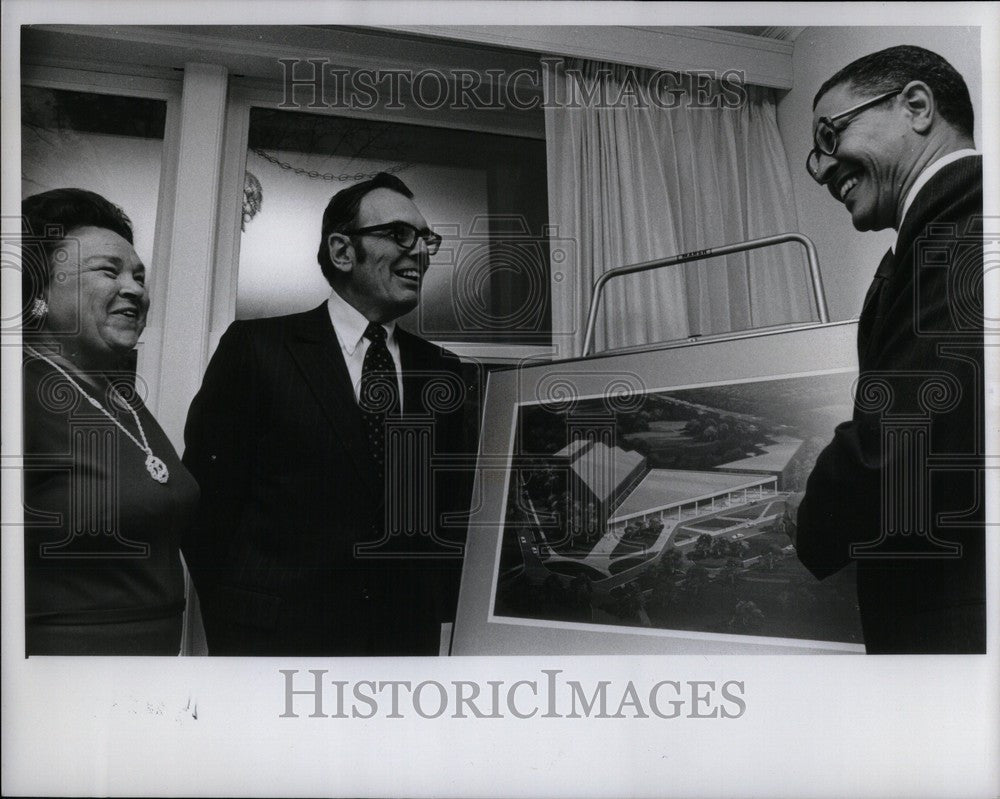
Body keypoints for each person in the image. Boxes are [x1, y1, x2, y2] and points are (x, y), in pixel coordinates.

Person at [182, 173, 472, 656]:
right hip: (274, 649)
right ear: (342, 251)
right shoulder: (257, 350)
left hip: (400, 654)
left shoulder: (443, 371)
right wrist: (239, 623)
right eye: (401, 234)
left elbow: (449, 514)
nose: (420, 251)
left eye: (426, 240)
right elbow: (206, 509)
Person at [793, 46, 985, 653]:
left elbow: (897, 444)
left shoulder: (965, 231)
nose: (823, 171)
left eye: (830, 135)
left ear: (917, 107)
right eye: (815, 156)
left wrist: (807, 523)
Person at [21, 188, 200, 655]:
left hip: (148, 686)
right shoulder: (17, 392)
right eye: (108, 270)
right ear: (38, 286)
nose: (136, 289)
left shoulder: (122, 400)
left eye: (140, 276)